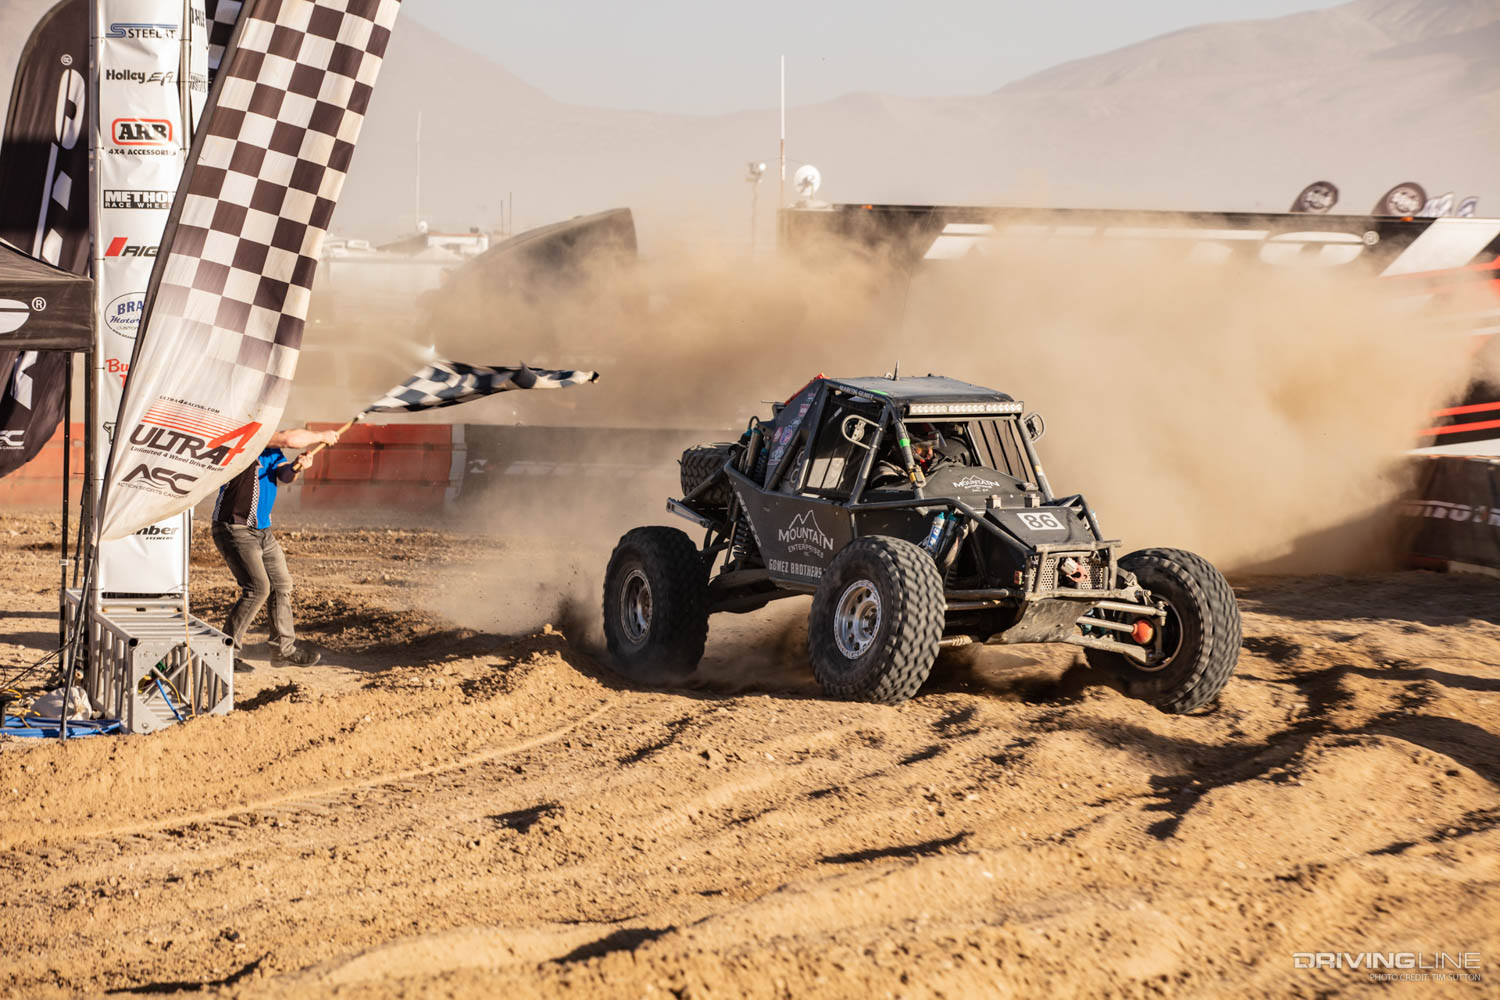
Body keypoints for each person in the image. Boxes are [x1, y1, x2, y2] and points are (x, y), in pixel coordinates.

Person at [211, 427, 339, 672]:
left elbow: (284, 475)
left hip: (262, 531)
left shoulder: (271, 450)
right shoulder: (248, 438)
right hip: (234, 528)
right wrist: (322, 436)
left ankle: (283, 651)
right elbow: (290, 438)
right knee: (258, 588)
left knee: (281, 586)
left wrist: (297, 466)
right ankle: (224, 653)